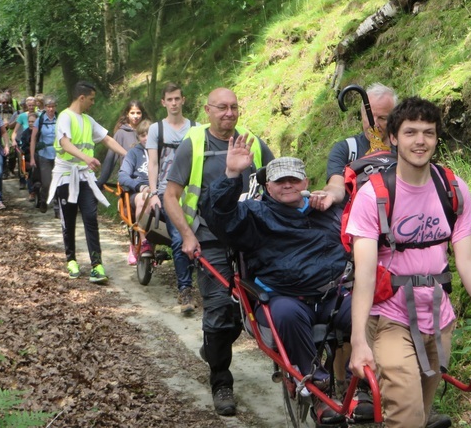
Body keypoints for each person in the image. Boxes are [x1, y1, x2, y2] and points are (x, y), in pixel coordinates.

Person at [346, 97, 471, 428]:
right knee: (406, 417)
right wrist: (358, 339)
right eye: (410, 132)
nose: (420, 141)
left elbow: (467, 260)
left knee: (420, 411)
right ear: (393, 138)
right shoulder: (374, 195)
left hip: (439, 319)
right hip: (390, 319)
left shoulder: (453, 189)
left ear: (436, 138)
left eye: (428, 133)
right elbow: (363, 273)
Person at [204, 144, 351, 424]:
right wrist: (231, 175)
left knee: (369, 311)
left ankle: (365, 387)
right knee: (286, 313)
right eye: (280, 181)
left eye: (293, 179)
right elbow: (219, 218)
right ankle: (316, 388)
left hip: (332, 295)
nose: (287, 185)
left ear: (305, 182)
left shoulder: (327, 211)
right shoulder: (253, 215)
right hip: (284, 298)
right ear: (268, 187)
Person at [164, 87, 274, 416]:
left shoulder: (252, 141)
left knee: (251, 306)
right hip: (209, 239)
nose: (229, 113)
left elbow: (276, 178)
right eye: (222, 108)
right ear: (208, 110)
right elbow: (171, 195)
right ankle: (221, 380)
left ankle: (214, 347)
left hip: (249, 236)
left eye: (234, 107)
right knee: (218, 307)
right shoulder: (194, 144)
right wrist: (186, 234)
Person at [46, 81, 128, 285]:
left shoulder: (88, 120)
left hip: (84, 177)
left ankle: (97, 265)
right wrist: (86, 157)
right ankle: (71, 259)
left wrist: (129, 155)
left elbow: (107, 139)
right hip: (66, 176)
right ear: (81, 98)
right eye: (91, 99)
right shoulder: (65, 117)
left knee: (91, 217)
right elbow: (65, 142)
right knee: (69, 220)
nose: (93, 102)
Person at [147, 83, 198, 314]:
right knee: (179, 238)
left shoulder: (195, 128)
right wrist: (153, 193)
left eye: (178, 98)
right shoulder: (156, 129)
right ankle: (185, 290)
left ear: (183, 100)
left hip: (194, 193)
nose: (174, 103)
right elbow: (154, 163)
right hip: (168, 193)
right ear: (163, 102)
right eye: (170, 99)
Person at [312, 83, 398, 211]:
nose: (374, 124)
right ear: (362, 114)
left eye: (382, 118)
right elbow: (336, 185)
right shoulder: (346, 149)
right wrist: (329, 194)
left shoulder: (404, 149)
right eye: (369, 116)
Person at [117, 119, 151, 263]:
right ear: (138, 138)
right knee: (144, 200)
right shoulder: (133, 154)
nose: (146, 138)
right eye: (143, 135)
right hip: (138, 192)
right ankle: (144, 242)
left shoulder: (163, 152)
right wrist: (139, 186)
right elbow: (123, 175)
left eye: (149, 134)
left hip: (158, 190)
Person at [97, 99, 145, 187]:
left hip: (147, 178)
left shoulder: (149, 131)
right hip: (130, 180)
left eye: (138, 113)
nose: (135, 116)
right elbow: (110, 159)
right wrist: (101, 181)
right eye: (132, 113)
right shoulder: (121, 133)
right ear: (127, 114)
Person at [30, 94, 58, 216]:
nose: (51, 109)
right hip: (44, 155)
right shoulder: (39, 120)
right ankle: (43, 200)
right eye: (48, 106)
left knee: (58, 182)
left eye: (53, 106)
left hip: (59, 155)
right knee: (46, 182)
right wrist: (32, 157)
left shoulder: (60, 119)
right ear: (45, 107)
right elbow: (33, 140)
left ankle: (58, 208)